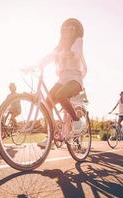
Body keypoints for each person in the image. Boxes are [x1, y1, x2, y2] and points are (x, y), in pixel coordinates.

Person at [35, 18, 88, 147]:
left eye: (72, 28)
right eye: (65, 28)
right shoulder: (59, 47)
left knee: (60, 95)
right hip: (62, 79)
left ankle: (77, 121)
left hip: (75, 79)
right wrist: (35, 65)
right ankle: (51, 136)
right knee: (48, 103)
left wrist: (66, 53)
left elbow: (75, 53)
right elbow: (49, 57)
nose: (68, 30)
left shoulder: (78, 41)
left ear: (76, 31)